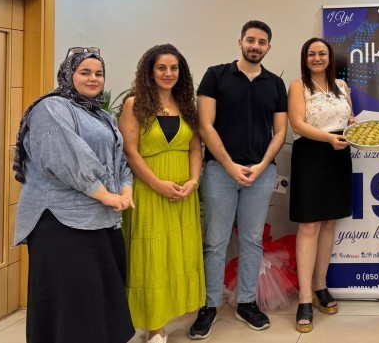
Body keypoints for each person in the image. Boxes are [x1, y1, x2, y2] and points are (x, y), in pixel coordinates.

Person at [12, 47, 135, 343]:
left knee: (100, 298)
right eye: (85, 72)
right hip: (60, 222)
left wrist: (125, 189)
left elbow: (119, 158)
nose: (94, 79)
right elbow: (68, 157)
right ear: (68, 75)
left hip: (102, 219)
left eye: (99, 73)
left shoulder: (100, 114)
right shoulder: (51, 108)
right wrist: (105, 194)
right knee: (73, 303)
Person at [189, 20, 288, 339]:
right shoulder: (216, 75)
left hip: (261, 173)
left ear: (268, 47)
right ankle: (209, 305)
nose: (255, 46)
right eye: (251, 40)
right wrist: (230, 165)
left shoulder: (275, 84)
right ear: (240, 42)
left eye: (262, 42)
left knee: (252, 240)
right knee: (215, 241)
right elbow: (205, 125)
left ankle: (246, 302)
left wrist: (261, 166)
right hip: (219, 172)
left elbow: (280, 131)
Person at [119, 44, 205, 343]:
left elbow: (195, 148)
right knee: (151, 257)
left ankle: (170, 315)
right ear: (150, 71)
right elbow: (130, 152)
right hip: (149, 191)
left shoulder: (186, 105)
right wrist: (157, 184)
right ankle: (154, 327)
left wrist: (194, 181)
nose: (168, 73)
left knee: (177, 255)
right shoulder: (134, 104)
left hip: (183, 193)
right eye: (162, 68)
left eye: (174, 68)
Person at [287, 37, 355, 333]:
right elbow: (297, 124)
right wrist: (328, 138)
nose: (317, 58)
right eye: (311, 54)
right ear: (305, 58)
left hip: (339, 155)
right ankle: (304, 298)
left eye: (322, 53)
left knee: (329, 222)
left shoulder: (342, 86)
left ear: (330, 57)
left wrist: (352, 126)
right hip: (311, 155)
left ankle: (320, 286)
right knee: (309, 226)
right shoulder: (297, 86)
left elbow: (348, 118)